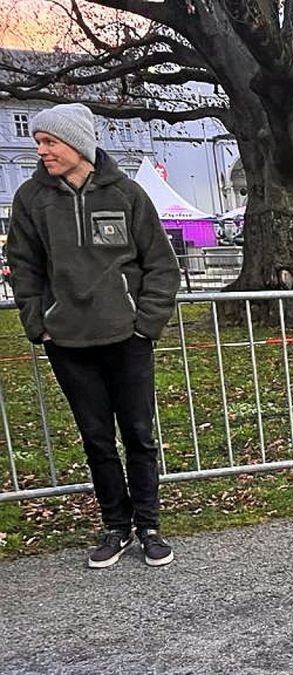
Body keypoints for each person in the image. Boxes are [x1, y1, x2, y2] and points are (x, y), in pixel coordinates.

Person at [7, 103, 180, 568]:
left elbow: (161, 264)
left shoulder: (127, 194)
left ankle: (149, 525)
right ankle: (115, 526)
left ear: (78, 144)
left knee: (140, 435)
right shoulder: (31, 199)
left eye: (50, 142)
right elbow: (23, 267)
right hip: (68, 342)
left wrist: (146, 324)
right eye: (38, 141)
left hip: (127, 338)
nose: (41, 150)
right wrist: (37, 321)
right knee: (96, 439)